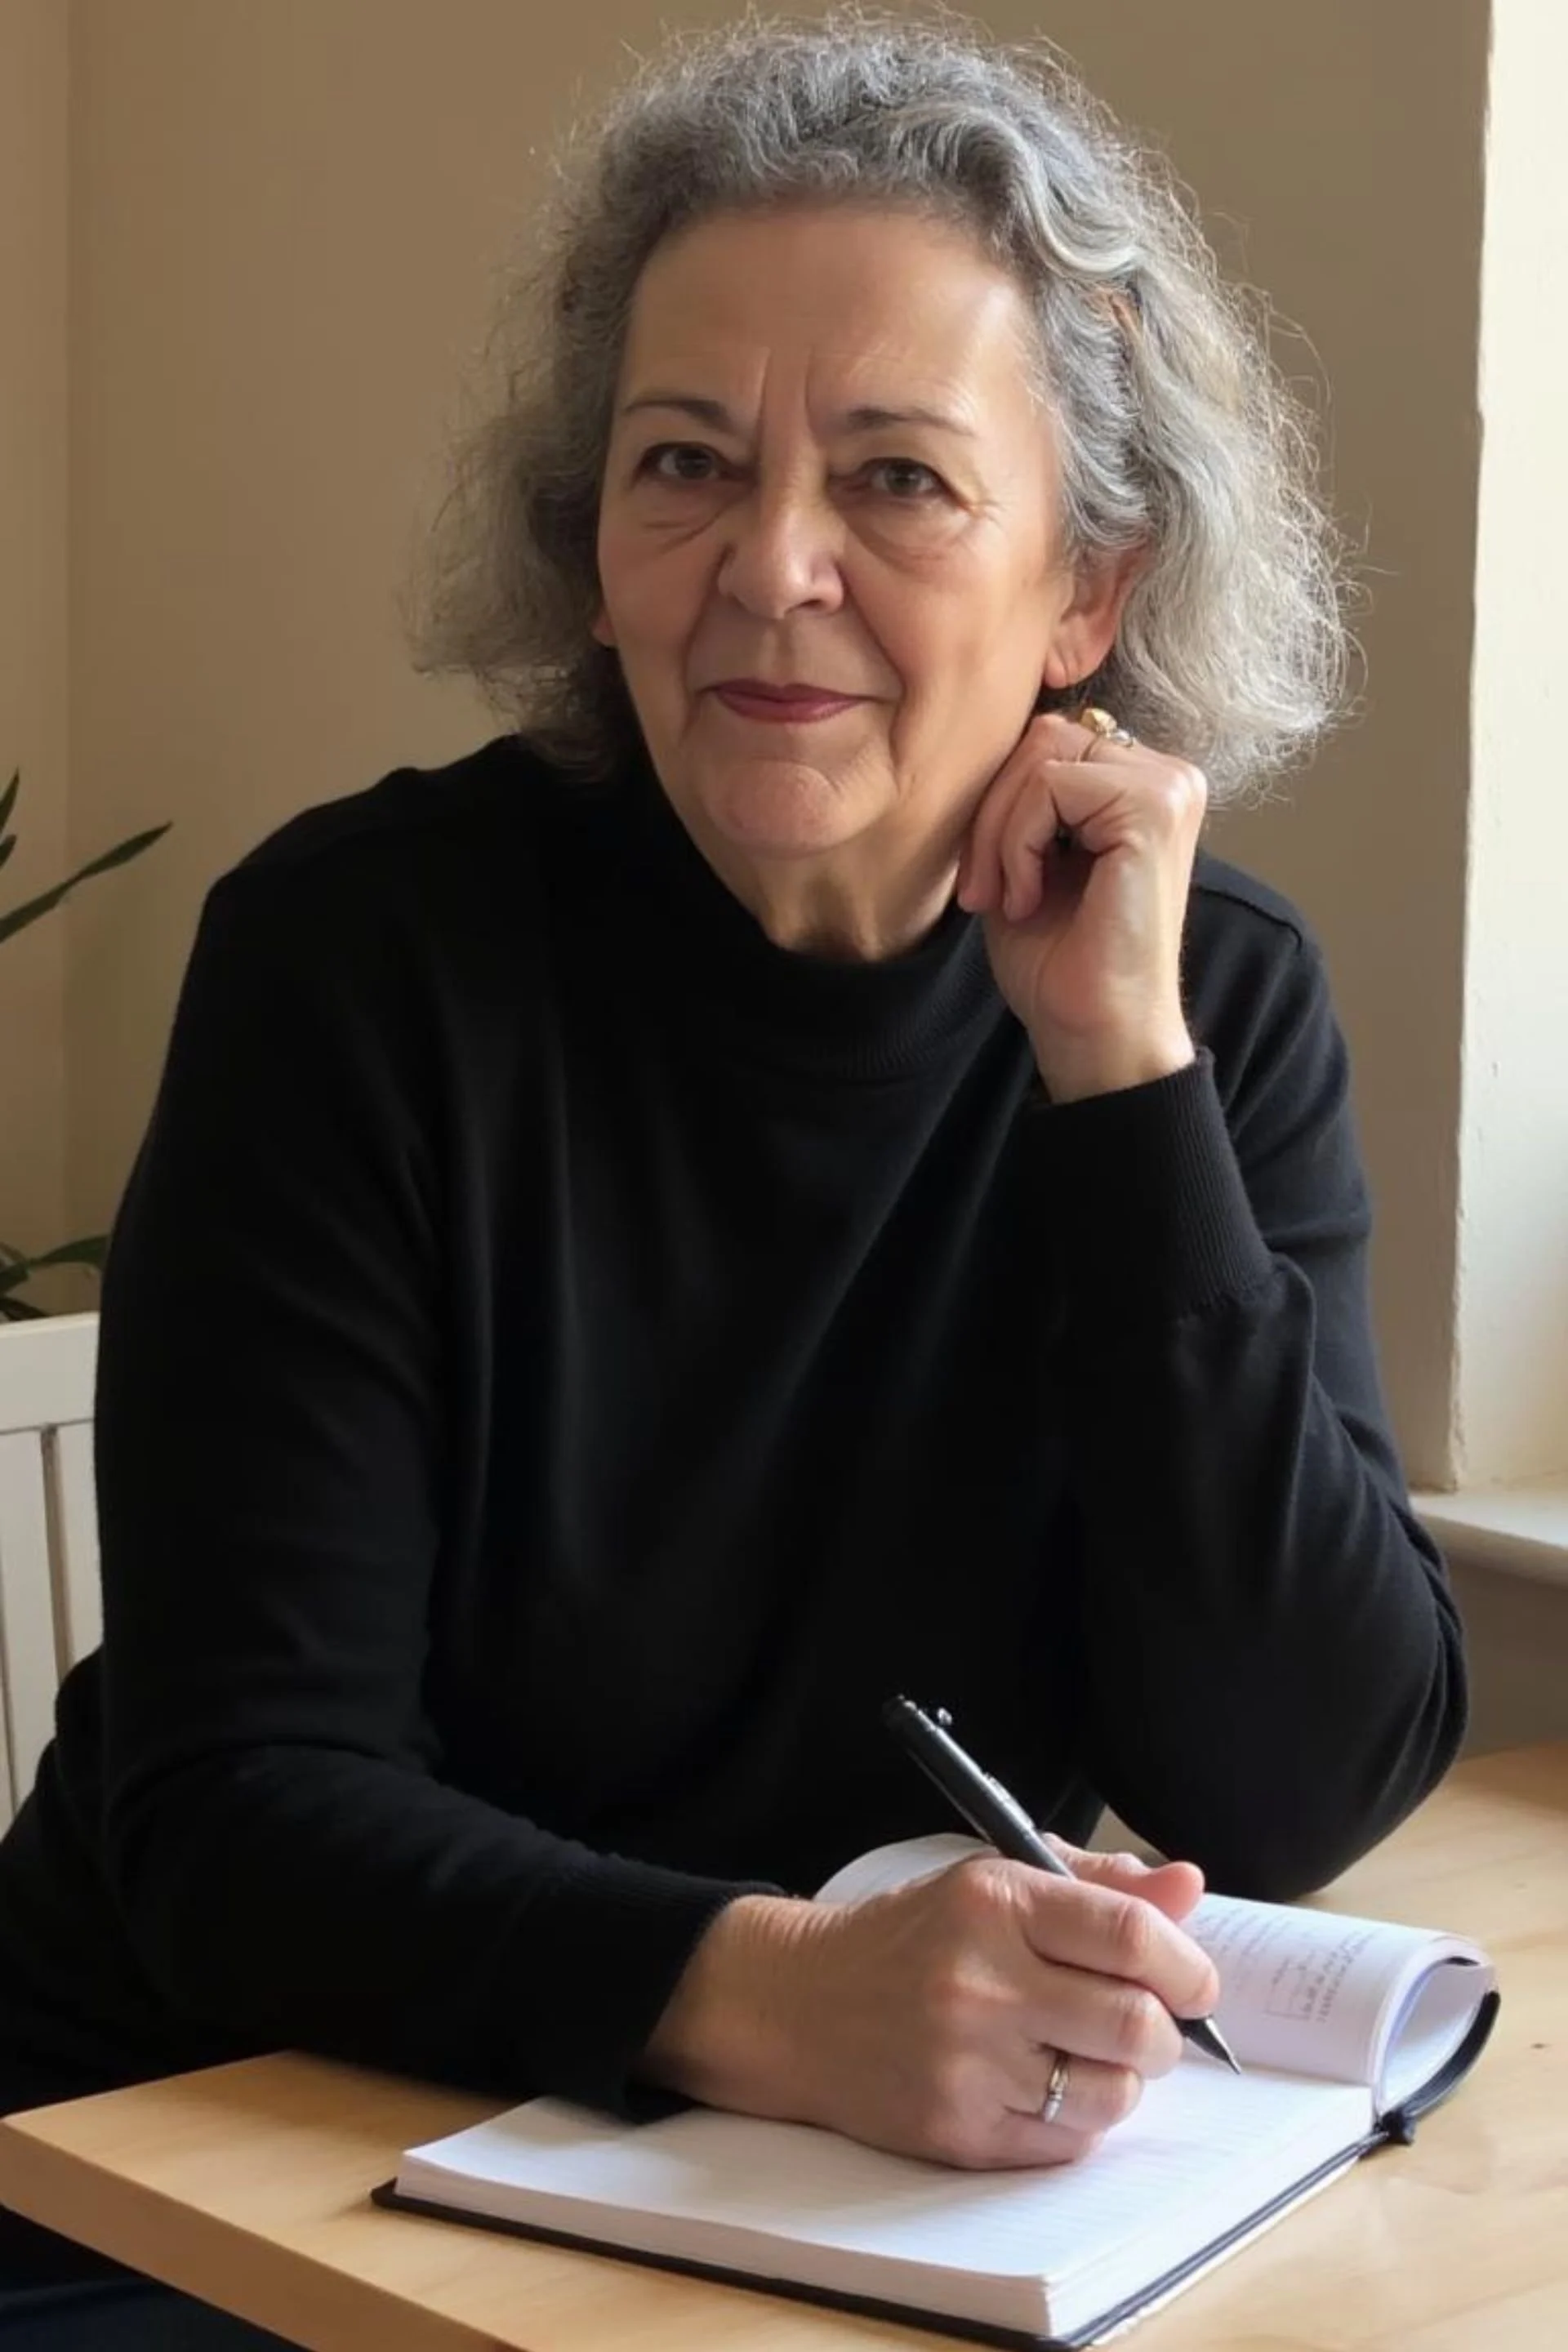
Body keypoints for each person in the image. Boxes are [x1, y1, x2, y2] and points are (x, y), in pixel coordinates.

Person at [0, 9, 1466, 2341]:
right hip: (211, 2166)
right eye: (685, 463)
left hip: (785, 2200)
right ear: (592, 548)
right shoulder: (360, 966)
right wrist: (785, 1992)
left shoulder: (1202, 1002)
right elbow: (234, 1816)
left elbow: (1301, 1778)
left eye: (896, 478)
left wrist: (1121, 1084)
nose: (768, 569)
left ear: (1086, 591)